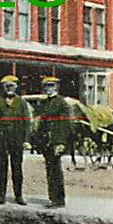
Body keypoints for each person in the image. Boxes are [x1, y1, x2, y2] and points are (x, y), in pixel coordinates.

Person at [0, 75, 32, 205]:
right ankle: (1, 196)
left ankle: (18, 196)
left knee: (17, 168)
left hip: (17, 139)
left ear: (16, 87)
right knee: (1, 168)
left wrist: (26, 140)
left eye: (12, 86)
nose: (9, 89)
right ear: (3, 88)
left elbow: (26, 122)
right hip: (1, 140)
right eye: (7, 86)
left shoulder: (22, 102)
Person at [37, 76, 71, 208]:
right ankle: (52, 197)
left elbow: (64, 124)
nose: (48, 89)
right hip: (46, 141)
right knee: (50, 170)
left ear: (56, 87)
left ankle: (58, 199)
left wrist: (61, 142)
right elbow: (41, 123)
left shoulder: (61, 102)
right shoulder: (45, 103)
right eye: (46, 87)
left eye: (51, 86)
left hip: (56, 140)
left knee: (55, 170)